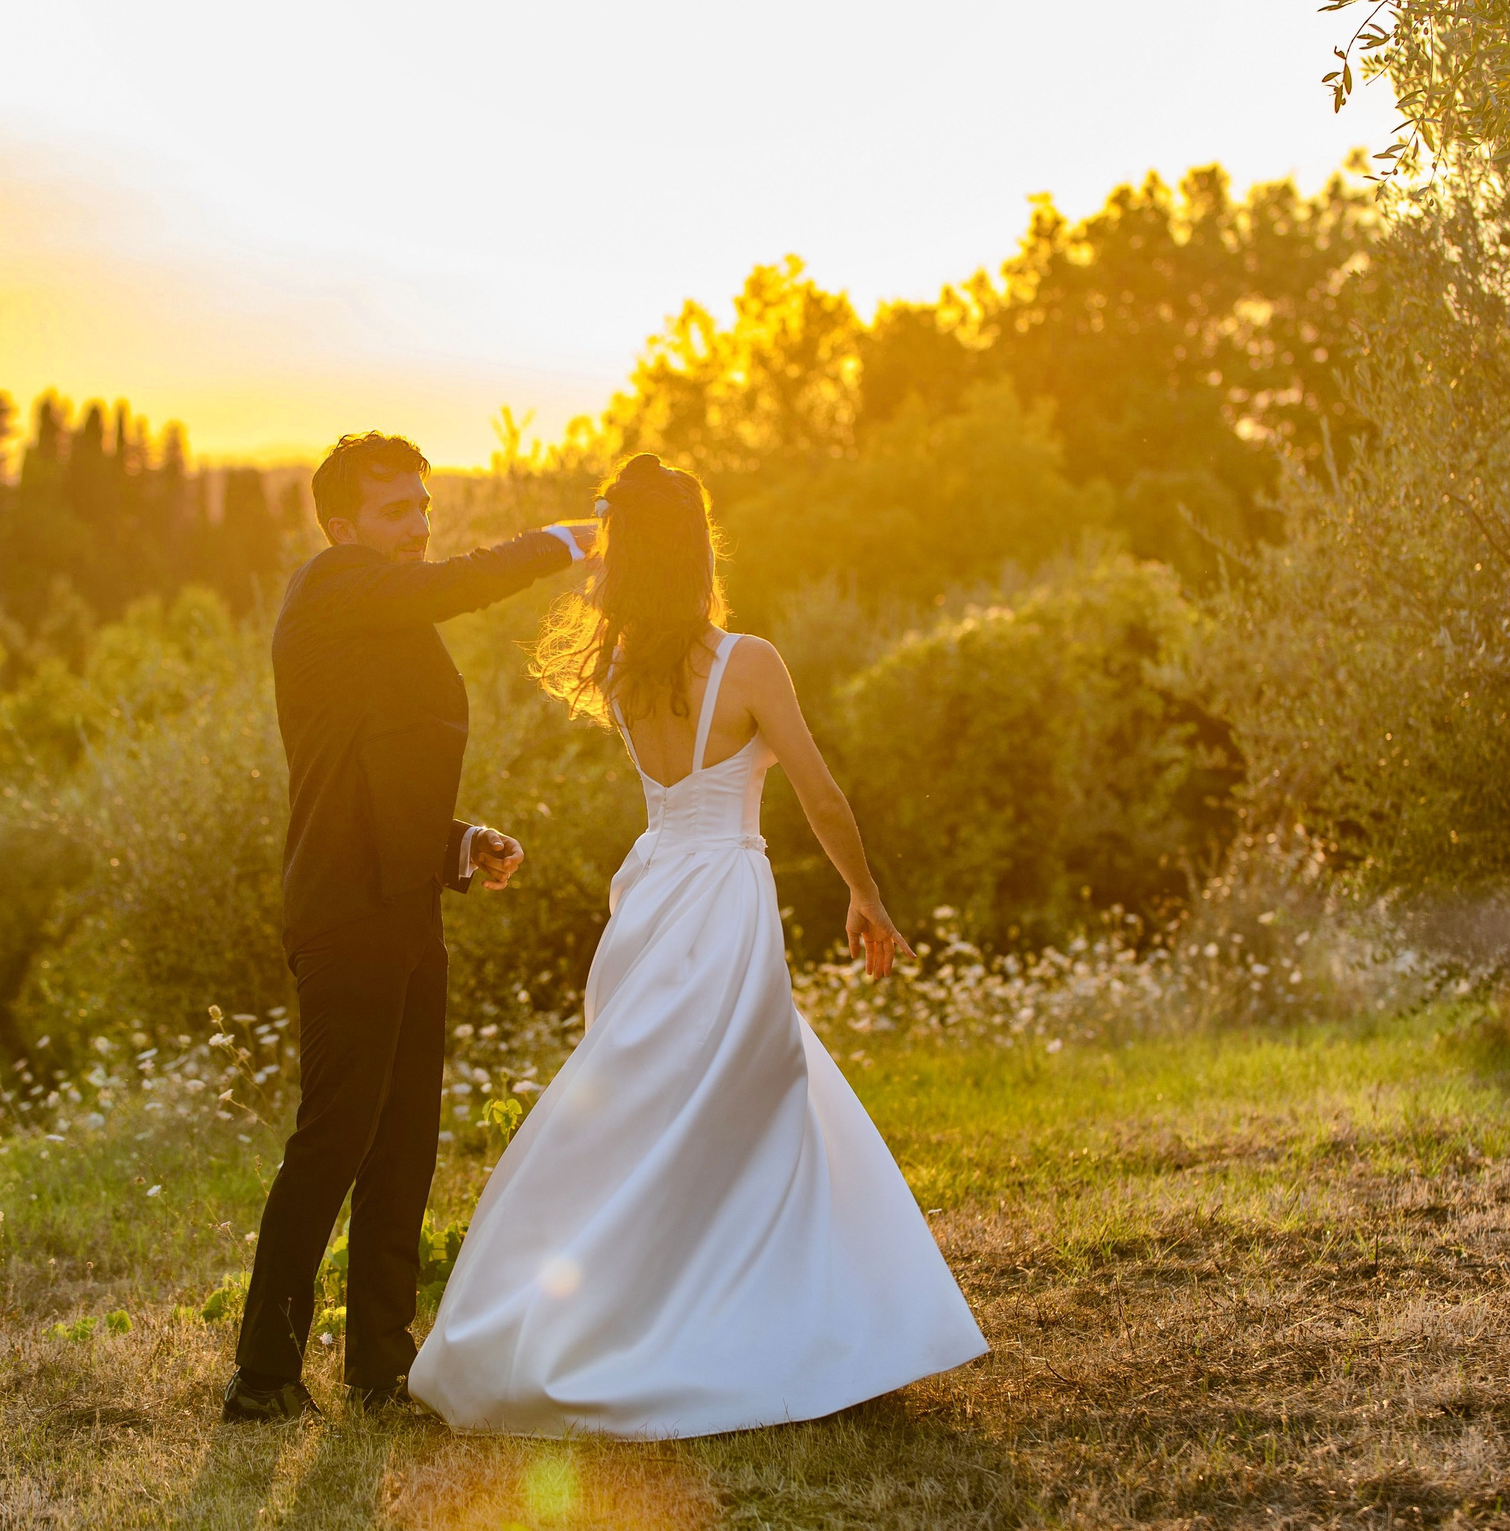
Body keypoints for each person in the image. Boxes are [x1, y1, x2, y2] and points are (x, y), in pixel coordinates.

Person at [408, 453, 987, 1438]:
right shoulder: (748, 662)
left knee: (655, 1102)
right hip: (722, 892)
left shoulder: (621, 670)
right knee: (744, 1098)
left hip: (650, 897)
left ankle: (658, 1305)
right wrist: (863, 892)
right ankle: (752, 1324)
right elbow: (819, 793)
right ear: (699, 552)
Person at [222, 432, 596, 1422]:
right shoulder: (331, 587)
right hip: (344, 911)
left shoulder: (380, 617)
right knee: (334, 1140)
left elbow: (374, 770)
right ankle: (262, 1376)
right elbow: (454, 585)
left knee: (403, 1146)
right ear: (341, 527)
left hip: (405, 904)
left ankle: (380, 1371)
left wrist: (460, 842)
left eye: (425, 507)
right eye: (397, 511)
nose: (419, 526)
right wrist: (562, 540)